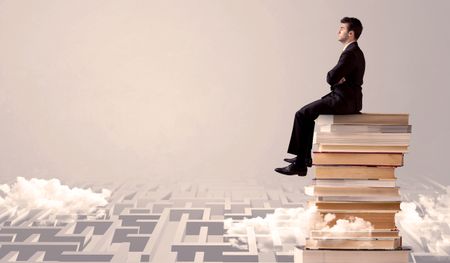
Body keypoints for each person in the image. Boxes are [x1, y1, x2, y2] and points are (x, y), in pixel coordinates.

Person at [275, 17, 365, 176]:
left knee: (302, 114)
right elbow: (338, 78)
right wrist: (339, 79)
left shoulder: (350, 54)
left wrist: (336, 79)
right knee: (307, 114)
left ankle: (300, 164)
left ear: (351, 34)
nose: (339, 31)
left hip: (343, 100)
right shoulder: (355, 52)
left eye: (342, 29)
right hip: (348, 99)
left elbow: (331, 77)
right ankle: (303, 158)